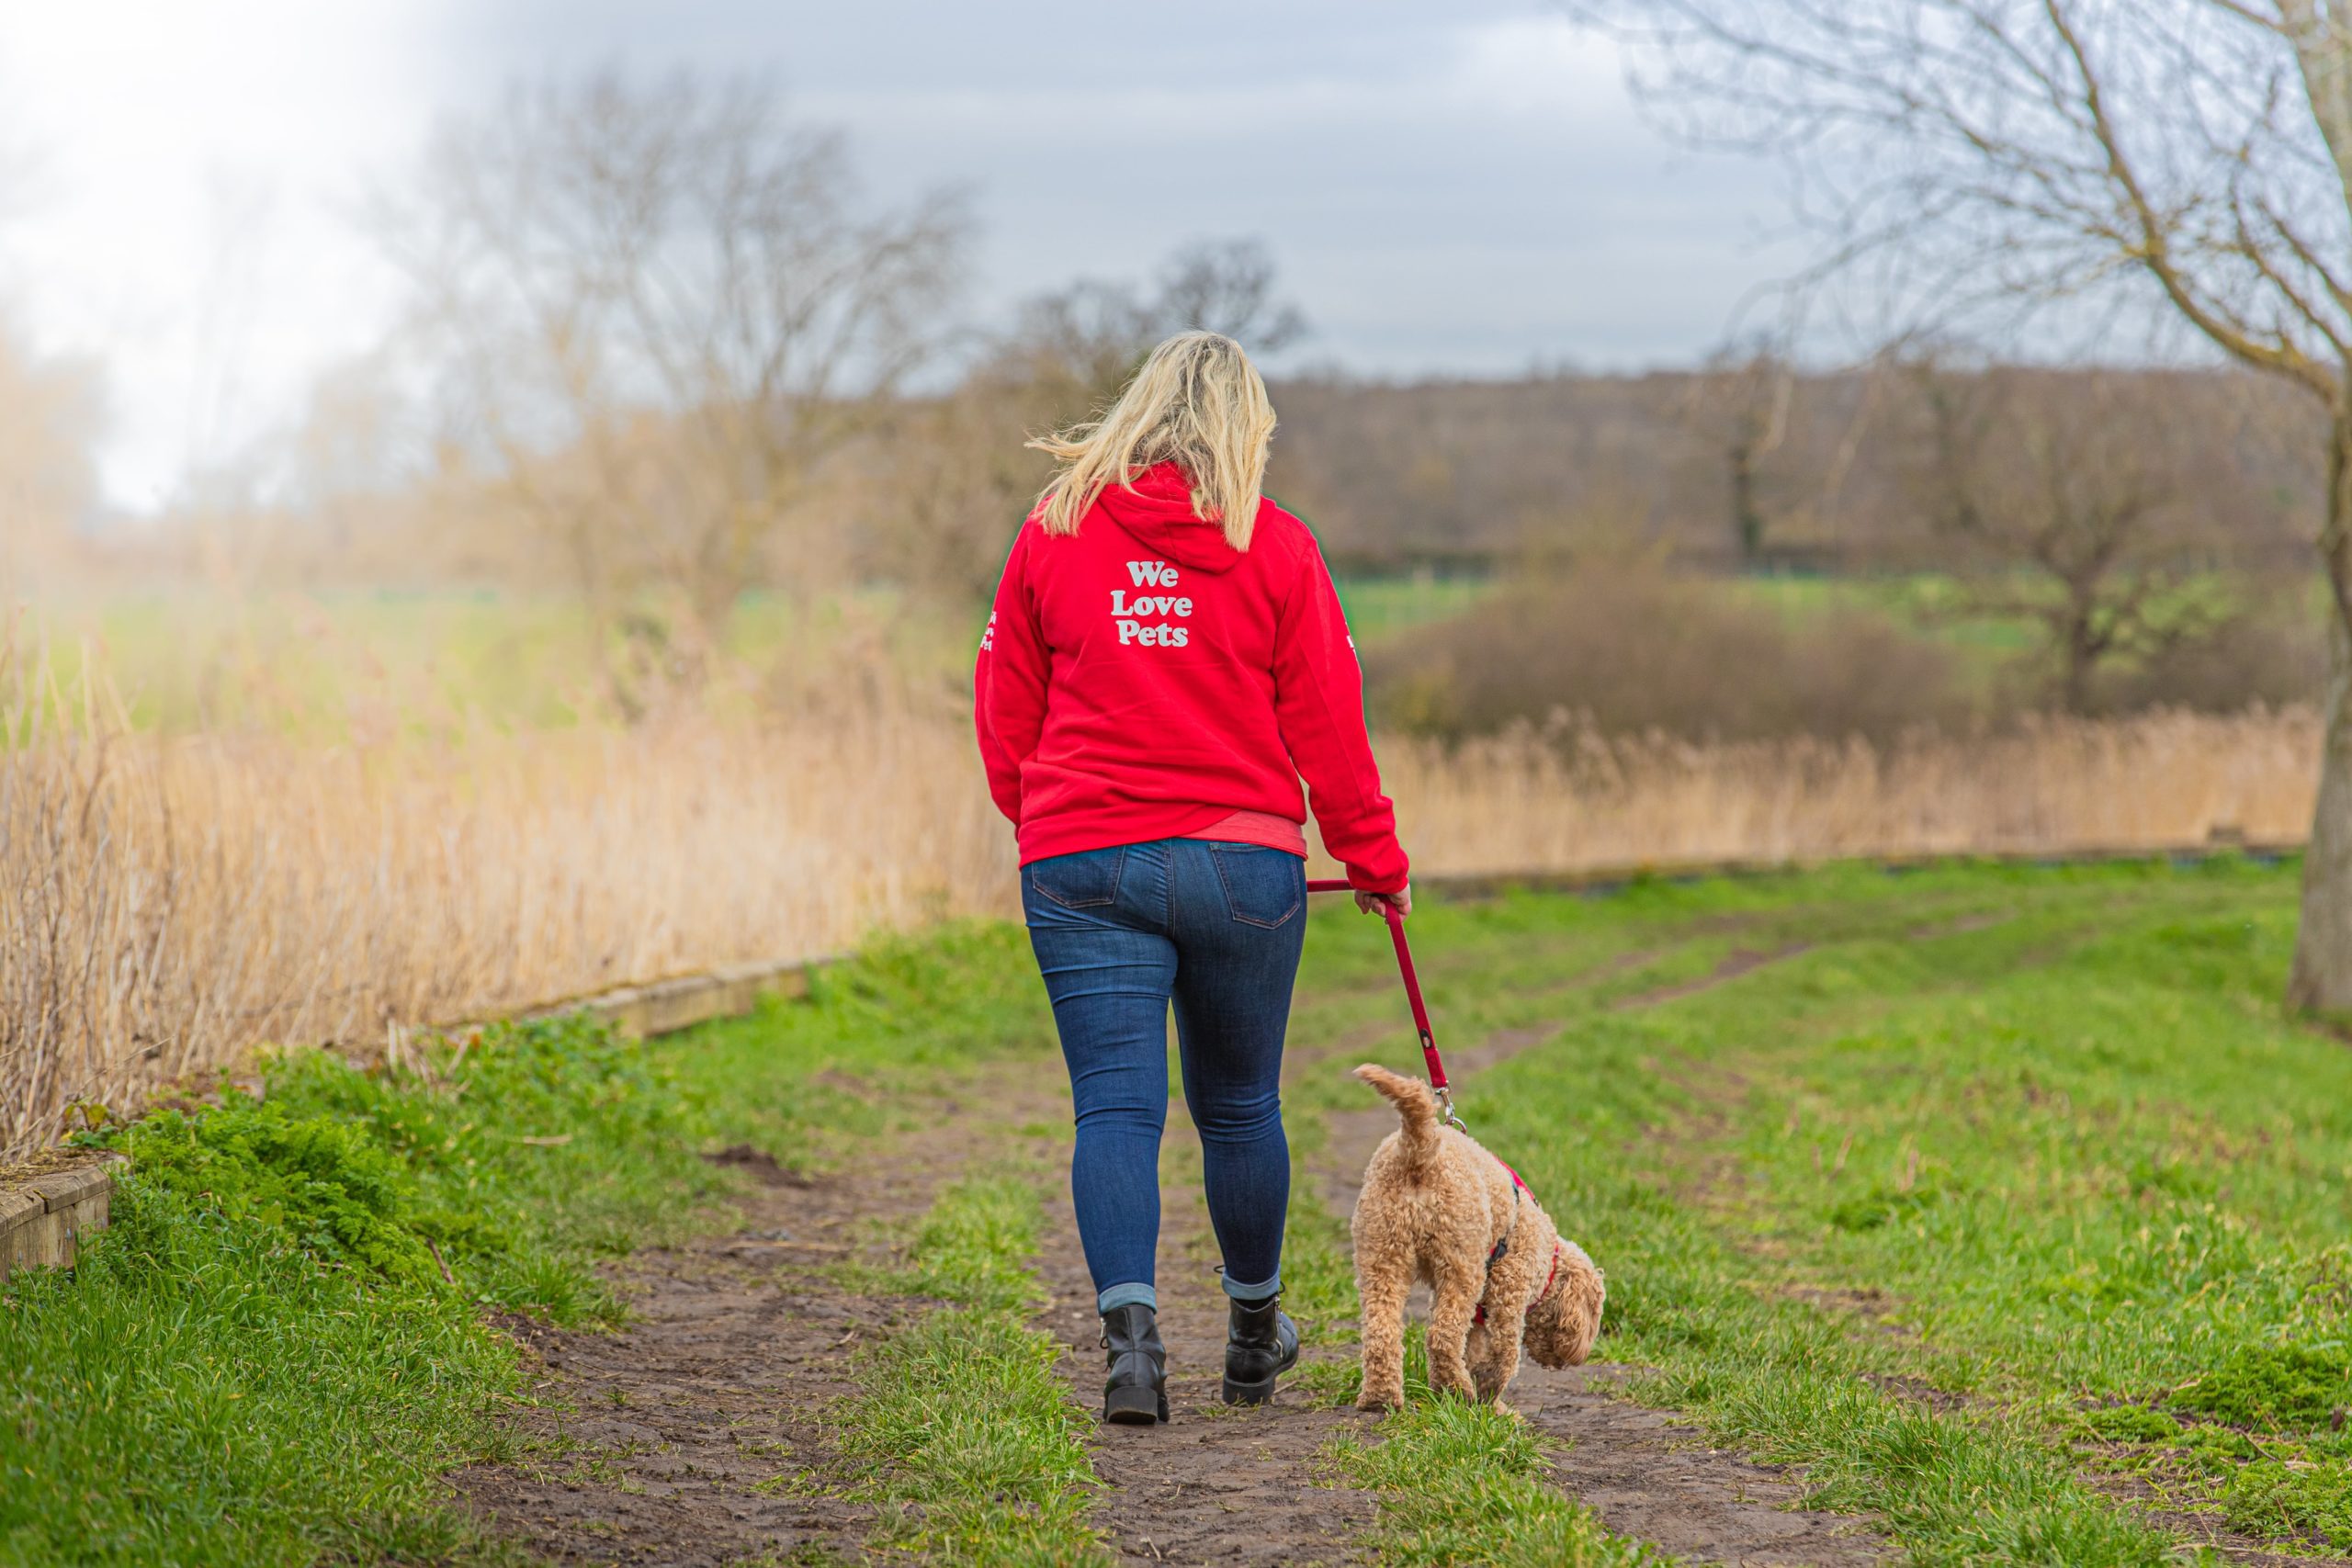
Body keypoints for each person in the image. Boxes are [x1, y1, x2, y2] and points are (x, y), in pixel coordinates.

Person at [973, 329, 1411, 1425]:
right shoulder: (1277, 547)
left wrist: (1051, 824)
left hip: (1079, 862)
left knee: (1114, 1110)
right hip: (1241, 864)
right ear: (1242, 427)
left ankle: (1132, 1352)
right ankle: (1255, 1337)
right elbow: (1328, 721)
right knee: (1238, 1105)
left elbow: (1003, 713)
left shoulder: (1053, 531)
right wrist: (1373, 856)